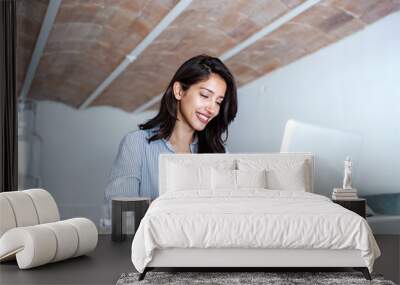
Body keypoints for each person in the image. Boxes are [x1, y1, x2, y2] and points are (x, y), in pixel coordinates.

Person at [102, 54, 238, 227]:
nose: (212, 108)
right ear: (179, 91)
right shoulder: (137, 144)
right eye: (205, 95)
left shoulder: (220, 153)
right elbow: (120, 218)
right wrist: (174, 209)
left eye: (218, 102)